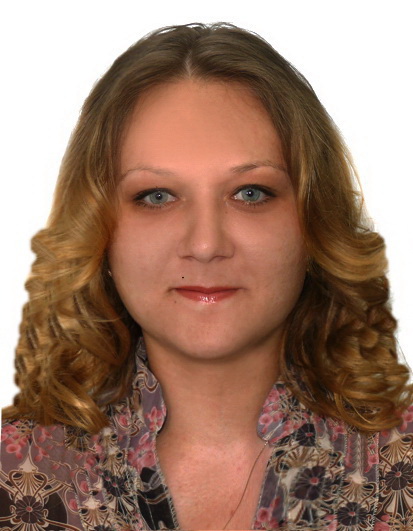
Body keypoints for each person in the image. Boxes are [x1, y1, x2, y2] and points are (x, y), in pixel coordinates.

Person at [1, 22, 412, 531]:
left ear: (314, 224)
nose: (205, 244)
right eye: (156, 196)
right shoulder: (12, 476)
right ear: (98, 233)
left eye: (250, 193)